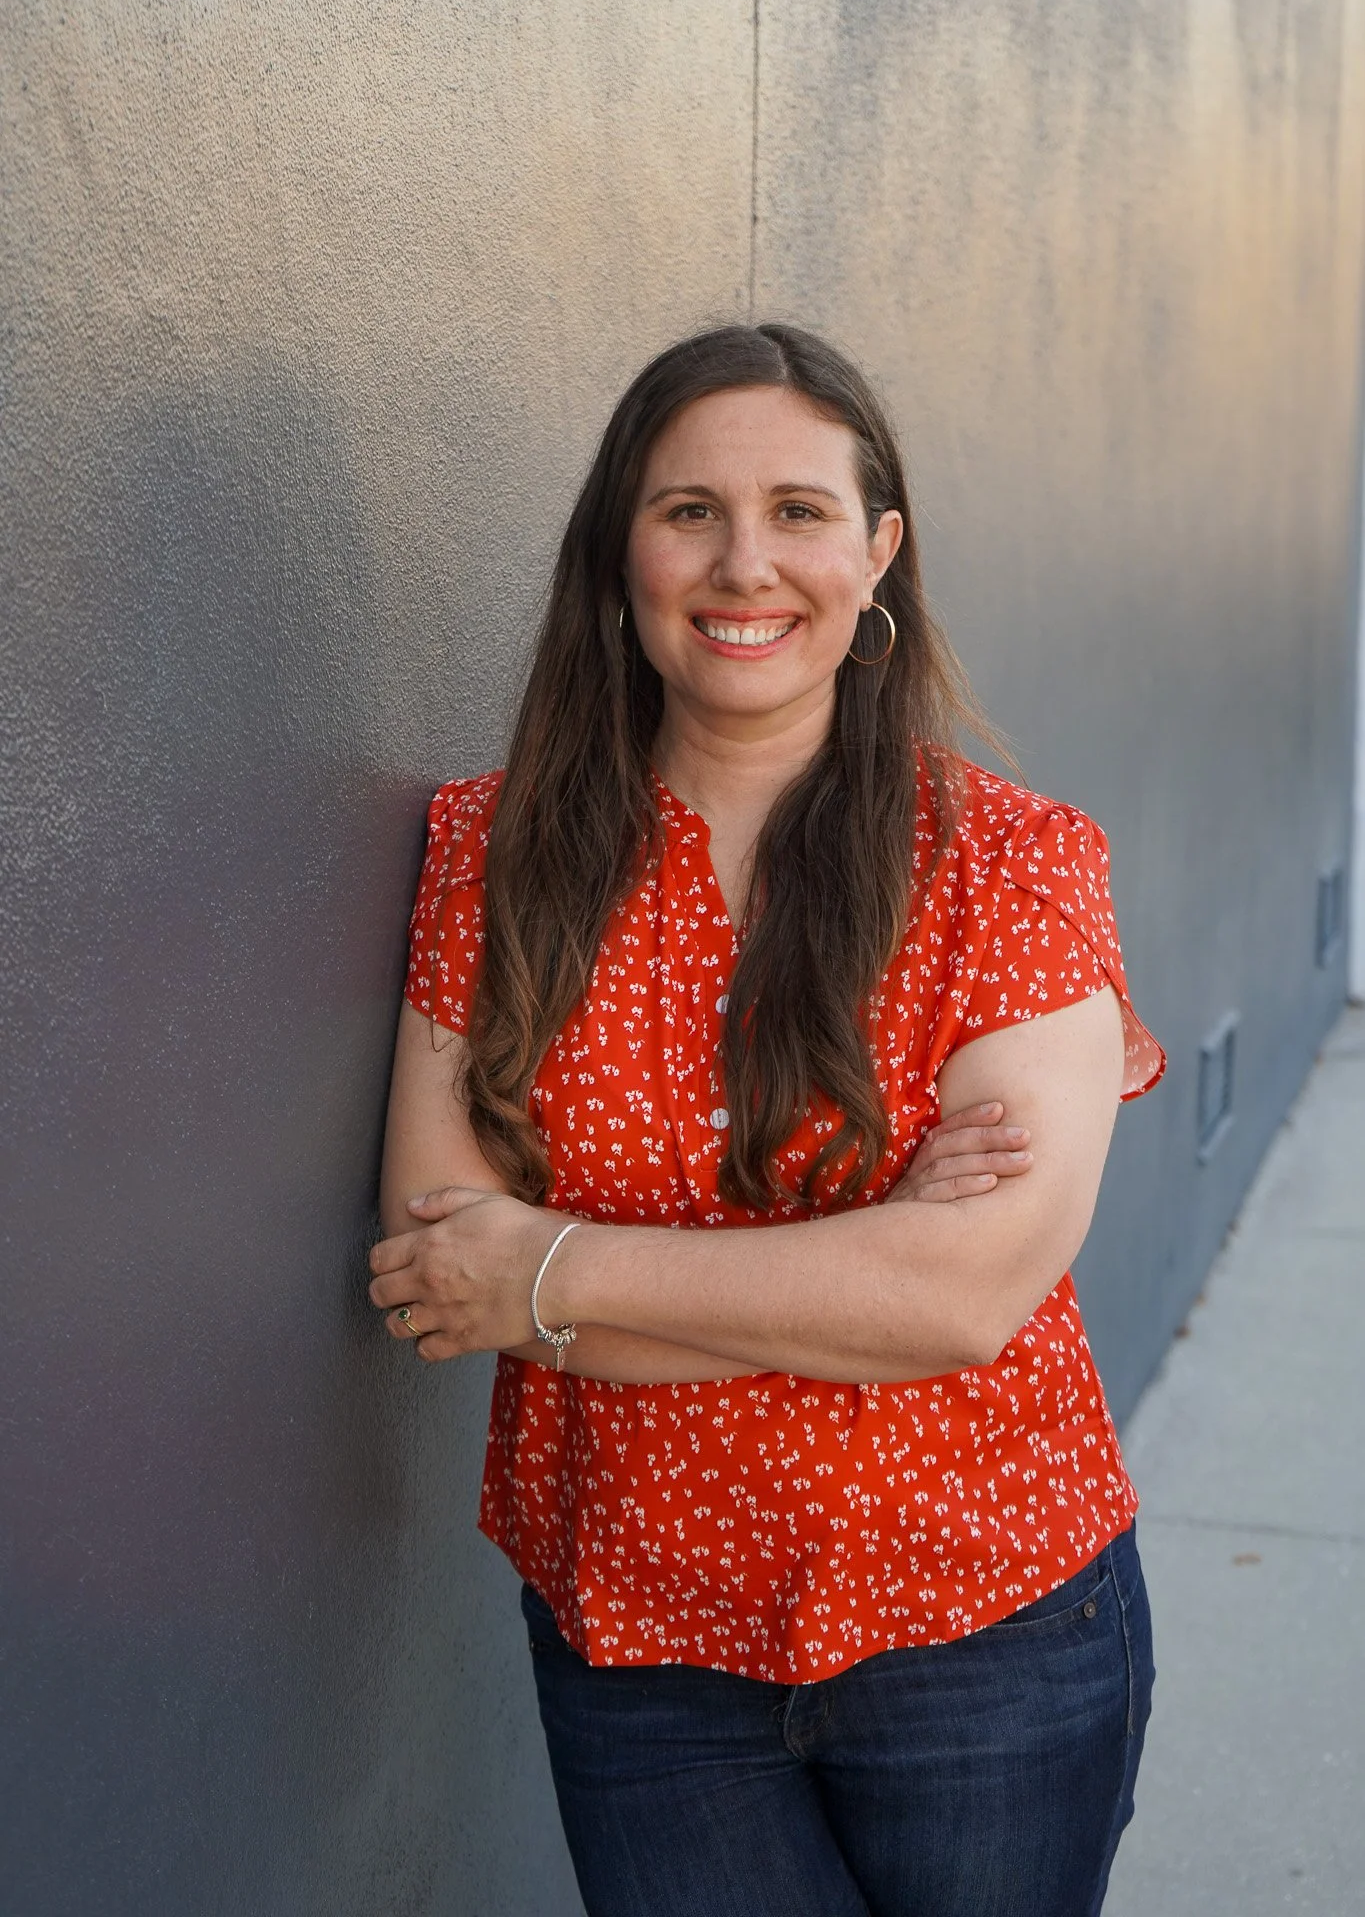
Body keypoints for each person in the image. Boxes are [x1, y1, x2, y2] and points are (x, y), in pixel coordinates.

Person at [371, 323, 1165, 1917]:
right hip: (640, 1649)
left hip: (984, 1631)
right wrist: (850, 1268)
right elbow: (442, 1267)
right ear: (622, 547)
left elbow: (963, 1296)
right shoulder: (494, 849)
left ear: (878, 554)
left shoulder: (1012, 864)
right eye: (689, 512)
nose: (746, 564)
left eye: (800, 511)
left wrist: (554, 1266)